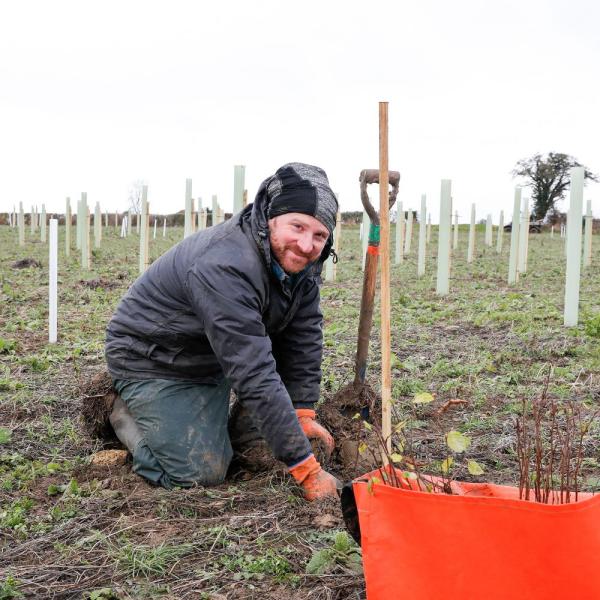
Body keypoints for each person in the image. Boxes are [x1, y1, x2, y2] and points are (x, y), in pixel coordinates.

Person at [105, 162, 340, 501]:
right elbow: (252, 369)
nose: (306, 245)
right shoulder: (224, 264)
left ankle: (234, 425)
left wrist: (302, 411)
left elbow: (304, 334)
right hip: (156, 359)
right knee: (199, 473)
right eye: (298, 226)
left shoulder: (300, 263)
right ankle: (125, 410)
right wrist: (307, 470)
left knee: (255, 441)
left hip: (213, 355)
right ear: (271, 216)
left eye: (319, 235)